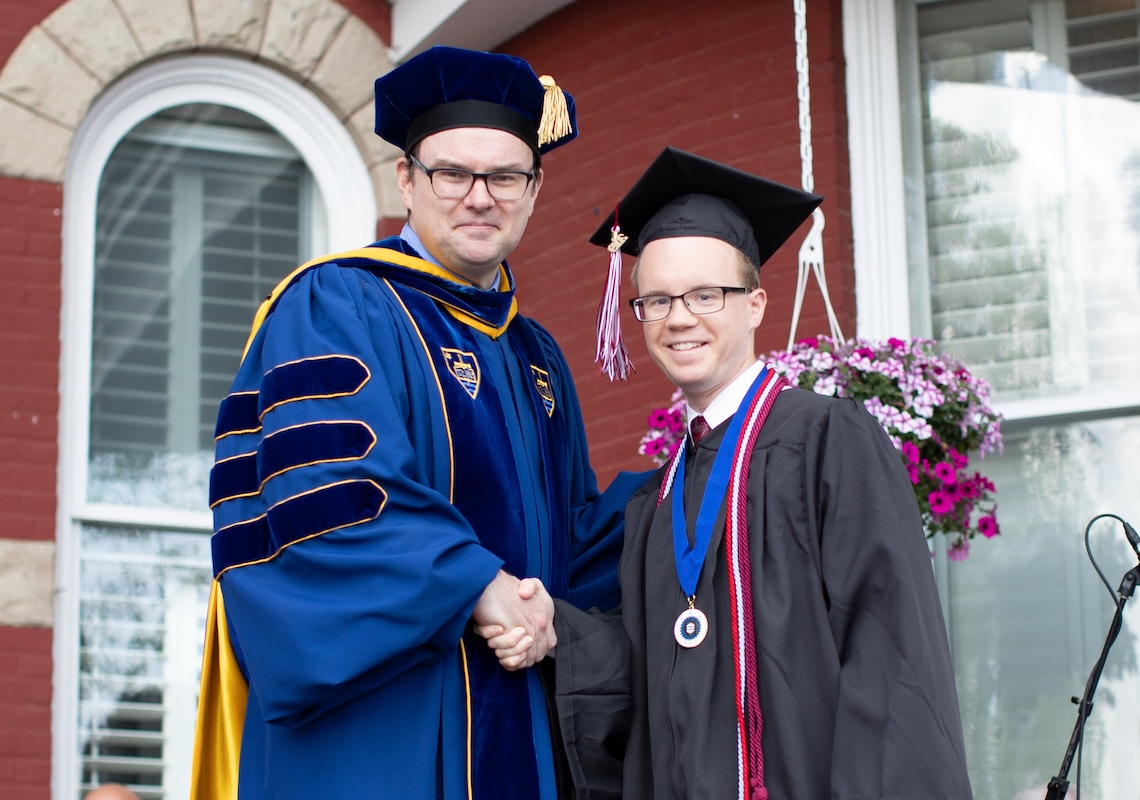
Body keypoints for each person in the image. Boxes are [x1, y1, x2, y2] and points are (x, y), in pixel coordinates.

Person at [190, 45, 645, 800]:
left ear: (534, 190)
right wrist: (477, 586)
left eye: (505, 176)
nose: (479, 197)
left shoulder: (534, 354)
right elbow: (328, 497)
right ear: (406, 179)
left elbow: (570, 540)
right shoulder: (337, 304)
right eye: (451, 173)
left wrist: (711, 475)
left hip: (517, 719)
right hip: (382, 726)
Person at [487, 147, 974, 798]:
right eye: (655, 300)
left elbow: (892, 658)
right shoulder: (658, 499)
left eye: (706, 294)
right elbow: (645, 675)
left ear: (755, 305)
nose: (678, 318)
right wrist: (554, 631)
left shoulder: (828, 440)